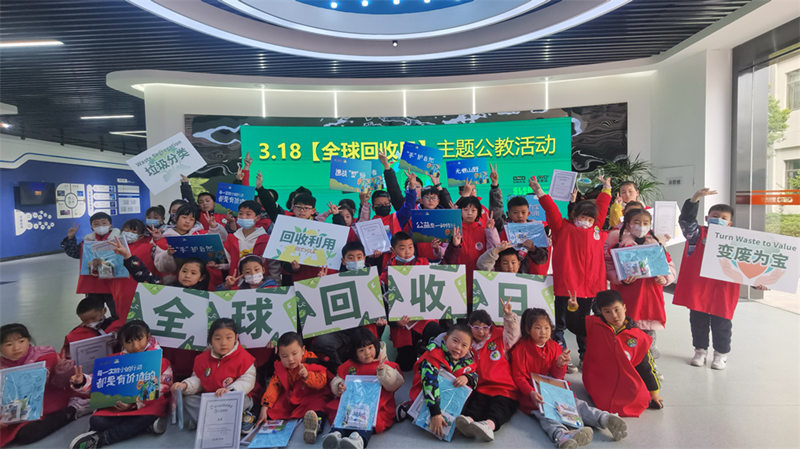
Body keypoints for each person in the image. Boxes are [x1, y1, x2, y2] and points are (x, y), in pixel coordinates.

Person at [672, 188, 767, 370]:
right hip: (700, 288)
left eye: (723, 218)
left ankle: (720, 355)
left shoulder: (738, 241)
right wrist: (695, 199)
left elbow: (747, 266)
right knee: (698, 322)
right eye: (715, 216)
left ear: (729, 223)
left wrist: (757, 283)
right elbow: (686, 221)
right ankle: (700, 351)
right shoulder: (697, 235)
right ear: (707, 218)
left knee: (722, 324)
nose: (719, 219)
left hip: (724, 290)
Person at [510, 309, 627, 449]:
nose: (543, 332)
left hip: (554, 389)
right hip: (534, 395)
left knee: (577, 404)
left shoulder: (554, 347)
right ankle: (561, 436)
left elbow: (558, 377)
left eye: (547, 327)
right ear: (528, 329)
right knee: (547, 415)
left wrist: (560, 365)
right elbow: (519, 377)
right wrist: (531, 393)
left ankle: (604, 418)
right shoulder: (520, 350)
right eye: (538, 328)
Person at [529, 175, 612, 371]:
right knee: (560, 325)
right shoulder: (562, 229)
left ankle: (585, 356)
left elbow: (602, 208)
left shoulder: (596, 230)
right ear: (574, 216)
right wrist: (539, 192)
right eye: (582, 218)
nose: (586, 221)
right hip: (566, 288)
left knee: (584, 326)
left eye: (589, 219)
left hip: (591, 289)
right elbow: (551, 210)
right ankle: (562, 357)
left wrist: (606, 188)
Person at [68, 320, 173, 449]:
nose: (135, 346)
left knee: (146, 417)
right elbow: (98, 382)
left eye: (139, 339)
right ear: (122, 343)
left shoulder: (160, 361)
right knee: (96, 421)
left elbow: (163, 387)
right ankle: (145, 427)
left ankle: (103, 439)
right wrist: (82, 381)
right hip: (116, 407)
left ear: (148, 337)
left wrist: (133, 404)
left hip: (145, 407)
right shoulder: (114, 361)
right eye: (129, 342)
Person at [566, 290, 662, 417]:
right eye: (607, 312)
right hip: (598, 379)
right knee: (604, 402)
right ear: (601, 312)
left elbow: (646, 366)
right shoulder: (593, 324)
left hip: (624, 380)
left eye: (617, 310)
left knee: (640, 398)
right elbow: (574, 326)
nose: (614, 316)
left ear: (624, 307)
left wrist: (654, 393)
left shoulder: (638, 336)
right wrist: (572, 309)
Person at [605, 208, 676, 358]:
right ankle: (626, 360)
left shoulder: (657, 246)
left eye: (645, 223)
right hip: (627, 297)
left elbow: (669, 266)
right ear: (628, 224)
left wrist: (665, 278)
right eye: (637, 222)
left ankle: (648, 361)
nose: (641, 226)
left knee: (648, 332)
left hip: (650, 297)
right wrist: (620, 278)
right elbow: (608, 267)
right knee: (626, 331)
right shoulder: (619, 245)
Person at [322, 328, 404, 449]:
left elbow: (396, 383)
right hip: (351, 404)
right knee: (342, 415)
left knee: (368, 421)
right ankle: (335, 434)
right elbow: (337, 379)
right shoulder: (349, 366)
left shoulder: (384, 365)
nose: (367, 353)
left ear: (376, 346)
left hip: (375, 406)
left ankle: (358, 440)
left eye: (370, 348)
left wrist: (383, 373)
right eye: (362, 350)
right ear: (354, 352)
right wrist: (339, 386)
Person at [171, 319, 257, 433]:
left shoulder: (245, 358)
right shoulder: (202, 359)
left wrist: (230, 390)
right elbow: (198, 380)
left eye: (229, 338)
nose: (223, 343)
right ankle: (223, 422)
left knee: (243, 402)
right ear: (210, 339)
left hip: (231, 397)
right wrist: (185, 385)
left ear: (236, 338)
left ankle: (208, 421)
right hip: (211, 399)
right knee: (189, 400)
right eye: (217, 338)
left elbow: (247, 381)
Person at [1, 323, 78, 447]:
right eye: (9, 344)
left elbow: (60, 383)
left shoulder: (45, 355)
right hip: (14, 410)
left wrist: (63, 369)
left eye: (21, 341)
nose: (16, 348)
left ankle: (70, 412)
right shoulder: (2, 366)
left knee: (28, 434)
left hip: (47, 401)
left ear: (28, 340)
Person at [454, 303, 520, 442]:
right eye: (476, 327)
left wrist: (509, 316)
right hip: (481, 387)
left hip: (504, 388)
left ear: (491, 327)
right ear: (469, 327)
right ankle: (468, 422)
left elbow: (513, 333)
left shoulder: (501, 338)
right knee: (475, 405)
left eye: (485, 327)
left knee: (500, 408)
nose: (481, 331)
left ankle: (489, 426)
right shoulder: (466, 345)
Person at [403, 324, 478, 440]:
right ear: (446, 338)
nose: (458, 347)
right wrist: (435, 413)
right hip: (426, 398)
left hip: (449, 401)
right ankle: (407, 407)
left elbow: (475, 376)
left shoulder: (468, 361)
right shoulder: (432, 355)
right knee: (418, 417)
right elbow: (429, 384)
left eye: (464, 345)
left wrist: (468, 377)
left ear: (469, 348)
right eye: (455, 341)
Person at [256, 332, 331, 444]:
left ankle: (316, 425)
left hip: (310, 394)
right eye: (284, 356)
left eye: (294, 354)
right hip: (291, 396)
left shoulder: (311, 360)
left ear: (303, 350)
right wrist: (265, 406)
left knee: (318, 404)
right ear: (279, 355)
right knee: (274, 409)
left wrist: (307, 376)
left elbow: (321, 382)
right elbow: (274, 386)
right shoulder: (280, 365)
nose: (290, 359)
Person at [61, 212, 120, 309]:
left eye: (104, 223)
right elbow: (75, 253)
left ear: (110, 226)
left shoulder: (117, 241)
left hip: (112, 284)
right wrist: (70, 238)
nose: (100, 226)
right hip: (93, 285)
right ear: (92, 228)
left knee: (117, 311)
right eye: (96, 224)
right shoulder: (87, 242)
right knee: (94, 311)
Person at [222, 200, 272, 280]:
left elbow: (272, 265)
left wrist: (275, 282)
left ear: (257, 218)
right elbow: (227, 261)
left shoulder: (265, 239)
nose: (243, 217)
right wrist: (218, 265)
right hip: (236, 281)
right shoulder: (232, 238)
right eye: (240, 213)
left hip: (259, 282)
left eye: (248, 214)